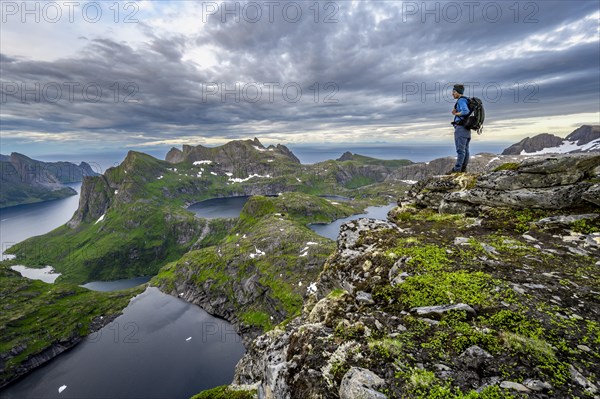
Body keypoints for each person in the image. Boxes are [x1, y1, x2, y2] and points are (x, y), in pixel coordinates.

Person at [450, 84, 471, 173]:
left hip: (461, 128)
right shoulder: (466, 100)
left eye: (454, 92)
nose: (452, 94)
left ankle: (457, 170)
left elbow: (466, 111)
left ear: (458, 92)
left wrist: (456, 114)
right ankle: (463, 169)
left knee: (460, 150)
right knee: (465, 150)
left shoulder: (461, 100)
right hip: (466, 129)